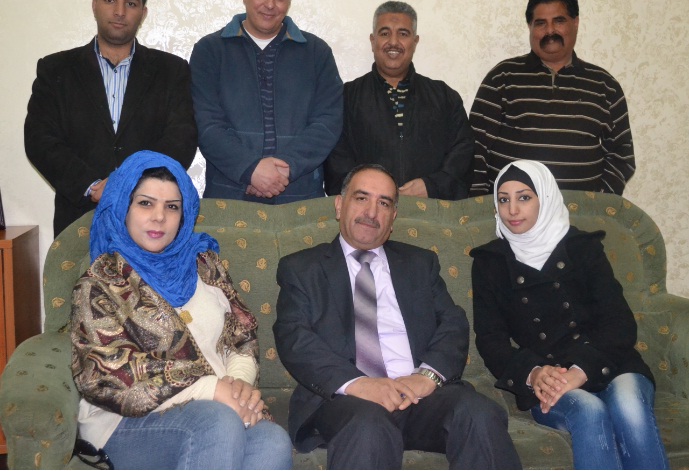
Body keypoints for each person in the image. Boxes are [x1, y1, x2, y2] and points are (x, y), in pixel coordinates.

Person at [273, 164, 521, 469]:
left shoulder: (420, 263)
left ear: (393, 217)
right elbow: (293, 337)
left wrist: (427, 377)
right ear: (339, 205)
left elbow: (453, 324)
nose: (371, 212)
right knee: (368, 425)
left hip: (418, 396)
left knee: (478, 413)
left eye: (384, 203)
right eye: (361, 198)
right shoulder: (302, 268)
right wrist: (359, 384)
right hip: (346, 402)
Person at [70, 150, 293, 469]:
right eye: (145, 203)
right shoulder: (101, 283)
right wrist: (213, 390)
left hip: (220, 408)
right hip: (124, 424)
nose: (159, 217)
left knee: (272, 440)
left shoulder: (204, 263)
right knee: (216, 422)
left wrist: (239, 387)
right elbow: (107, 375)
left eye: (172, 206)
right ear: (123, 207)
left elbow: (240, 334)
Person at [470, 159, 668, 470]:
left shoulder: (582, 247)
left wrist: (581, 370)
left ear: (546, 198)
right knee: (589, 411)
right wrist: (534, 373)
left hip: (610, 361)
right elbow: (490, 338)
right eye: (503, 199)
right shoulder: (489, 262)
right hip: (549, 377)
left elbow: (619, 323)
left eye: (524, 197)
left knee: (629, 405)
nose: (512, 210)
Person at [25, 0, 197, 237]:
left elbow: (182, 138)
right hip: (78, 220)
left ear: (143, 13)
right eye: (110, 0)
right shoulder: (56, 69)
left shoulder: (172, 70)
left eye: (131, 3)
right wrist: (93, 186)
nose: (119, 11)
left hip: (152, 220)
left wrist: (131, 184)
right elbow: (40, 140)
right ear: (94, 6)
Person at [190, 0, 342, 203]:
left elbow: (328, 122)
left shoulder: (317, 52)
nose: (270, 4)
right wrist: (250, 169)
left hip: (301, 195)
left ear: (289, 0)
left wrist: (284, 169)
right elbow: (206, 124)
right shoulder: (210, 51)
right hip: (229, 195)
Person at [469, 0, 635, 196]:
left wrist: (598, 202)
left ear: (575, 23)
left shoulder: (604, 85)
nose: (550, 31)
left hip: (580, 212)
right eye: (540, 23)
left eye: (559, 21)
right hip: (511, 211)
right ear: (530, 27)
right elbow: (474, 147)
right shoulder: (502, 77)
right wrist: (482, 203)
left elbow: (622, 154)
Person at [324, 1, 474, 200]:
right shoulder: (346, 97)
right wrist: (373, 192)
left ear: (415, 41)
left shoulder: (444, 97)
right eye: (385, 33)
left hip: (431, 210)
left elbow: (463, 153)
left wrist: (432, 186)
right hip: (368, 211)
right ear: (373, 41)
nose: (393, 42)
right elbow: (336, 160)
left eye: (403, 34)